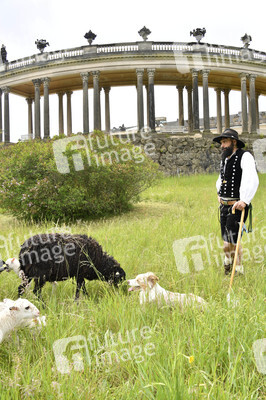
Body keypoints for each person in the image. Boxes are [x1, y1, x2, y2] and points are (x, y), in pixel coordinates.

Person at [213, 128, 259, 275]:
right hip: (224, 206)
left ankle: (238, 269)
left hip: (237, 207)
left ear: (234, 142)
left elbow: (251, 178)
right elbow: (221, 179)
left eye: (225, 142)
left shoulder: (245, 156)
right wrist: (219, 193)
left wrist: (244, 200)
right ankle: (229, 264)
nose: (222, 145)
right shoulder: (225, 159)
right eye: (221, 142)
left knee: (232, 241)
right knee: (227, 241)